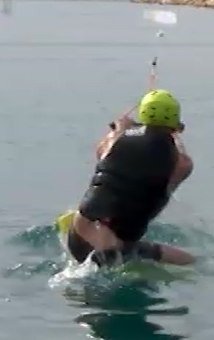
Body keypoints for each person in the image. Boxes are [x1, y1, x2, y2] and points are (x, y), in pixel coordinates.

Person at [65, 89, 196, 267]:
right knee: (190, 262)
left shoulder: (113, 141)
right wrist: (175, 134)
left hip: (79, 234)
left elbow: (102, 154)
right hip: (114, 250)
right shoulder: (183, 164)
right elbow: (169, 184)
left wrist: (121, 128)